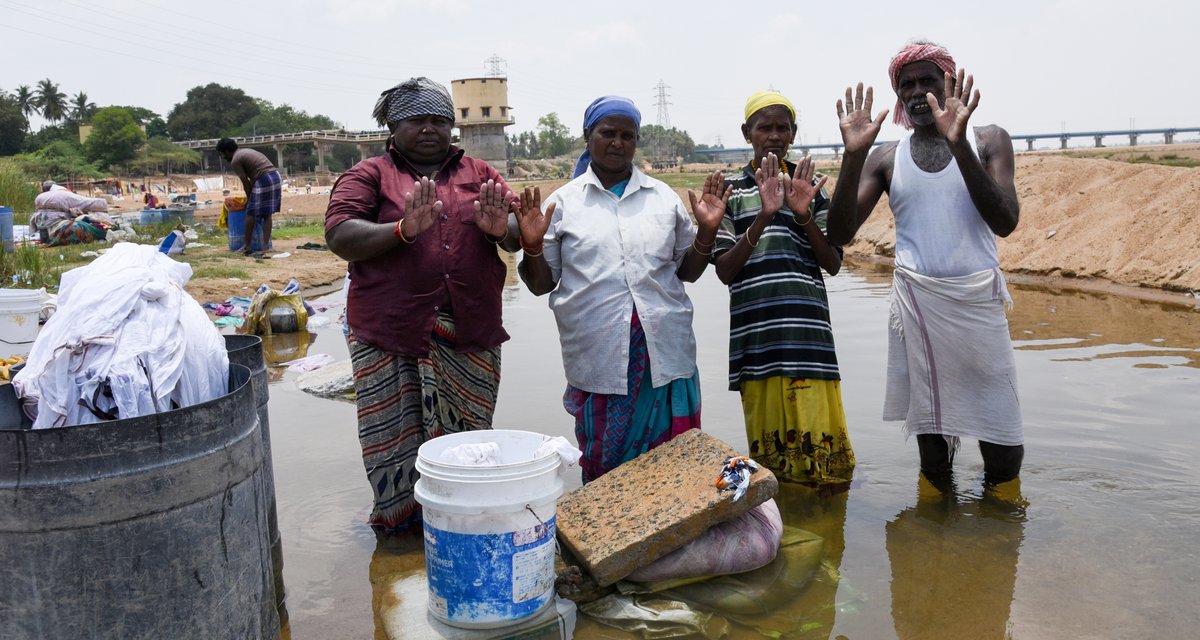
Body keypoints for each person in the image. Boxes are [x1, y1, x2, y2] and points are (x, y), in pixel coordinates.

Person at [324, 76, 524, 532]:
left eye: (440, 120)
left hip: (468, 330)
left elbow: (514, 232)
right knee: (393, 435)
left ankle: (461, 523)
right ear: (393, 126)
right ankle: (399, 531)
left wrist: (501, 230)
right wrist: (401, 231)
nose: (430, 129)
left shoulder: (479, 173)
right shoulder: (369, 175)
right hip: (390, 331)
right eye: (418, 120)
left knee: (470, 440)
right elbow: (339, 235)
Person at [826, 40, 1024, 486]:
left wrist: (959, 147)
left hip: (977, 305)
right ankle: (936, 544)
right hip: (918, 307)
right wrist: (853, 156)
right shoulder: (885, 159)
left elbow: (1006, 221)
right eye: (906, 84)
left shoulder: (988, 140)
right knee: (933, 452)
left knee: (1004, 447)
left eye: (927, 81)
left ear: (948, 83)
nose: (916, 92)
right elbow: (838, 236)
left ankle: (996, 536)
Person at [517, 96, 728, 482]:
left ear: (636, 141)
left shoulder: (663, 199)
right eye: (607, 133)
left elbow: (689, 272)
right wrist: (532, 246)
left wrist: (709, 231)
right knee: (604, 471)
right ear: (587, 137)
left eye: (627, 136)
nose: (617, 143)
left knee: (674, 469)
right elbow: (540, 285)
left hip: (664, 353)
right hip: (599, 357)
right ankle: (607, 537)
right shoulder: (563, 204)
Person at [710, 91, 854, 486]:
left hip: (809, 340)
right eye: (764, 127)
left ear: (793, 133)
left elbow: (834, 263)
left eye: (782, 128)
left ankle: (827, 537)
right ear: (747, 132)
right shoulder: (731, 192)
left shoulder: (810, 186)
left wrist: (803, 214)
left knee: (826, 470)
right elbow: (724, 270)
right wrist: (764, 218)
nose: (773, 135)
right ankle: (785, 530)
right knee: (772, 465)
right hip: (757, 343)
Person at [217, 138, 281, 255]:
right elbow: (252, 177)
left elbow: (245, 182)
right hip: (275, 176)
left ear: (226, 151)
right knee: (267, 213)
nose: (223, 157)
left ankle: (246, 246)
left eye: (222, 154)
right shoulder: (246, 151)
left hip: (264, 178)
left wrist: (249, 199)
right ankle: (266, 247)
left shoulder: (235, 160)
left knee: (250, 212)